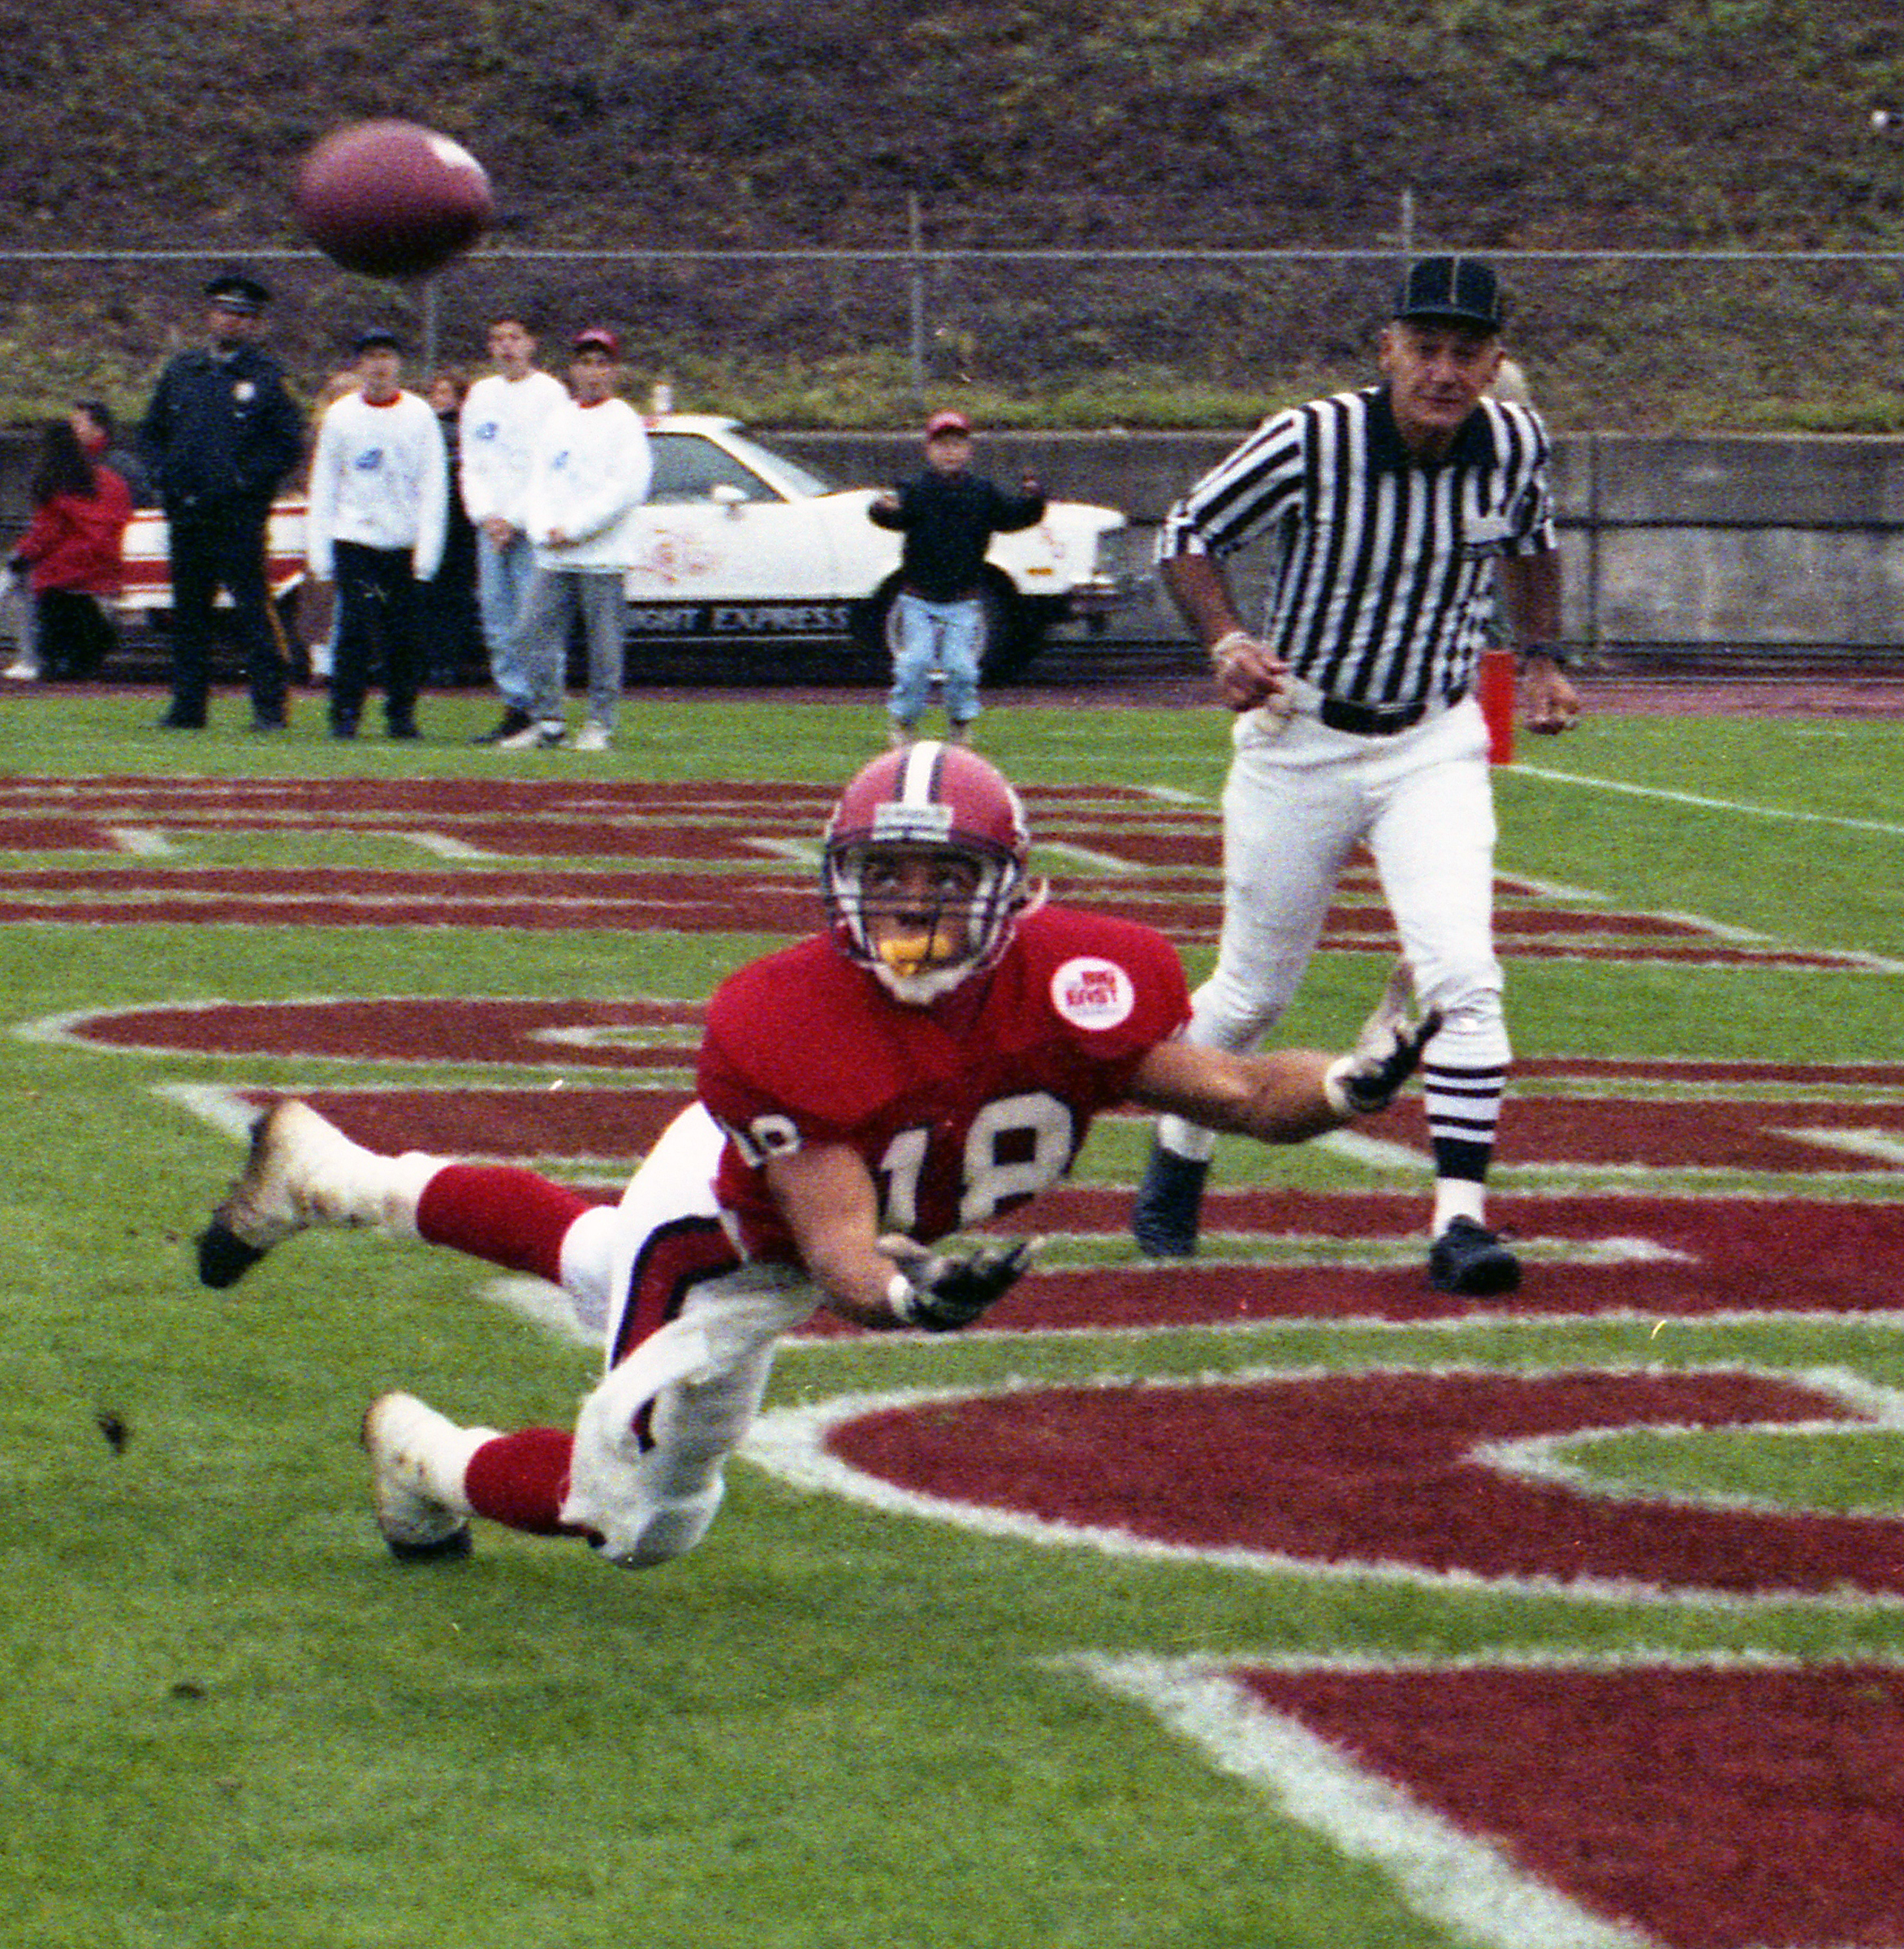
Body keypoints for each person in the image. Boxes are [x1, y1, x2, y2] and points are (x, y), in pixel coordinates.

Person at [192, 744, 1441, 1567]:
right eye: (883, 878)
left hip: (789, 1205)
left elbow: (1233, 1088)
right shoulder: (786, 1021)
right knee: (638, 1521)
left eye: (941, 879)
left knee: (589, 1249)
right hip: (738, 1244)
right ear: (840, 884)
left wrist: (1348, 1082)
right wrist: (906, 1296)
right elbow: (837, 1250)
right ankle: (424, 1458)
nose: (908, 910)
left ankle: (336, 1174)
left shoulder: (1080, 980)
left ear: (1012, 891)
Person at [1132, 253, 1580, 1297]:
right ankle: (1178, 1158)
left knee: (1464, 976)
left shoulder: (1514, 440)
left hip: (1434, 737)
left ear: (1495, 362)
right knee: (1249, 995)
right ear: (1387, 351)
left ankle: (1459, 1222)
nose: (1443, 370)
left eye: (1466, 353)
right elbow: (1187, 532)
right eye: (1425, 349)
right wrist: (1227, 641)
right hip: (1305, 735)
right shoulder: (1314, 437)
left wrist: (1547, 655)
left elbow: (1531, 541)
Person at [138, 271, 304, 731]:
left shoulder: (267, 378)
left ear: (255, 325)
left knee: (254, 611)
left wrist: (244, 482)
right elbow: (151, 432)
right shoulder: (183, 371)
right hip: (187, 512)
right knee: (188, 615)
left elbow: (286, 443)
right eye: (224, 312)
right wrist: (162, 475)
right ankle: (188, 706)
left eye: (242, 316)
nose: (231, 322)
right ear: (210, 315)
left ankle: (270, 708)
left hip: (237, 517)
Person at [503, 327, 650, 752]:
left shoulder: (623, 419)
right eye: (584, 363)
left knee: (603, 645)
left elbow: (627, 488)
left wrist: (576, 528)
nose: (592, 372)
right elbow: (539, 479)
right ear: (572, 369)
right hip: (554, 557)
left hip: (601, 556)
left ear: (614, 371)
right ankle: (548, 722)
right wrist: (542, 526)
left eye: (601, 363)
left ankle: (600, 723)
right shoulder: (559, 418)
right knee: (530, 634)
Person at [866, 410, 1046, 745]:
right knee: (914, 665)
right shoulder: (916, 489)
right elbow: (892, 515)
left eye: (957, 445)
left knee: (961, 669)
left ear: (968, 449)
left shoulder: (982, 492)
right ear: (929, 449)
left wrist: (1033, 500)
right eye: (942, 445)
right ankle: (904, 723)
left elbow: (1012, 517)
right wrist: (881, 508)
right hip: (918, 598)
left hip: (963, 600)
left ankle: (961, 724)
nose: (950, 452)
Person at [302, 327, 448, 740]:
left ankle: (400, 715)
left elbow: (433, 487)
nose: (379, 365)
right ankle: (344, 714)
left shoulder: (419, 415)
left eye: (386, 355)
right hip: (356, 543)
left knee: (404, 636)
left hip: (401, 544)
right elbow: (325, 484)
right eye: (371, 357)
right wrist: (321, 553)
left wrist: (426, 554)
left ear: (398, 363)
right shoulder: (341, 415)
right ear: (360, 364)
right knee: (355, 629)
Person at [455, 318, 568, 742]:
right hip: (492, 529)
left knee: (534, 620)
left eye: (515, 338)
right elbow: (473, 461)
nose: (507, 347)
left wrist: (518, 518)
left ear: (531, 343)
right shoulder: (482, 394)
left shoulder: (550, 393)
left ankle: (547, 711)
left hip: (531, 526)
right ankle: (516, 706)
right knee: (497, 620)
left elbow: (550, 464)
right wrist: (487, 516)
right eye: (498, 339)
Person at [0, 414, 132, 681]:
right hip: (108, 559)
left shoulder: (56, 482)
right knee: (72, 603)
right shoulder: (111, 480)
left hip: (66, 567)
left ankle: (32, 658)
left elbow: (45, 533)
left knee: (30, 584)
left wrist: (22, 556)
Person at [422, 371, 486, 688]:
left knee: (454, 595)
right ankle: (433, 660)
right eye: (435, 392)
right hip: (431, 523)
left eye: (446, 392)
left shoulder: (461, 429)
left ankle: (447, 661)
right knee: (430, 594)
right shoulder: (422, 426)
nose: (439, 398)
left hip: (459, 525)